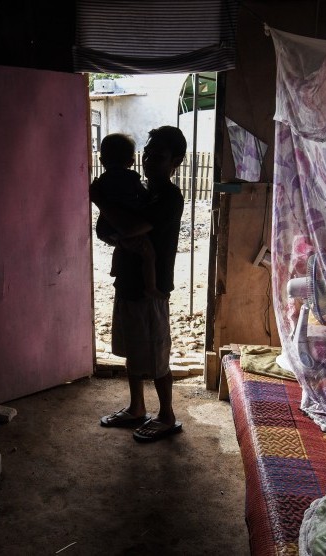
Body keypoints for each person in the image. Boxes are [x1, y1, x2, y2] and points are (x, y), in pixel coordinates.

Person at [90, 126, 187, 442]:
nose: (148, 161)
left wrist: (101, 202)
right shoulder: (142, 192)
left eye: (157, 156)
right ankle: (136, 407)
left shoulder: (170, 197)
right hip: (128, 280)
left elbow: (130, 227)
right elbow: (117, 229)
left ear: (177, 161)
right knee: (134, 347)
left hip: (152, 287)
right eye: (146, 154)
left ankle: (167, 415)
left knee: (158, 355)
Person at [94, 133, 165, 299]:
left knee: (121, 244)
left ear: (102, 161)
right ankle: (151, 288)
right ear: (131, 162)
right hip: (127, 225)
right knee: (148, 254)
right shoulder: (132, 178)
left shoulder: (102, 180)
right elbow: (144, 196)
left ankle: (115, 268)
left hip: (105, 227)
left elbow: (98, 196)